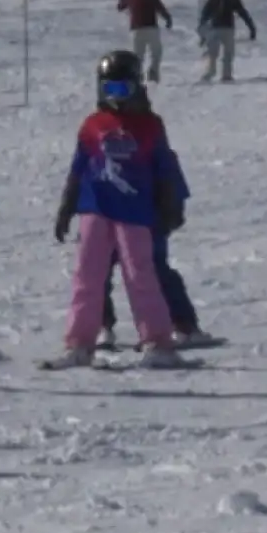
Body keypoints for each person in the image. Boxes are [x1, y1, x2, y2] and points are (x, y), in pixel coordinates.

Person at [46, 50, 188, 369]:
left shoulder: (150, 126)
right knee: (88, 275)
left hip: (134, 211)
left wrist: (170, 206)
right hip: (95, 209)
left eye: (122, 90)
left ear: (136, 87)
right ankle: (80, 343)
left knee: (140, 274)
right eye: (110, 90)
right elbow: (78, 168)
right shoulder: (93, 125)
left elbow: (164, 168)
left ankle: (157, 341)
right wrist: (66, 208)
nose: (117, 99)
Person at [99, 147, 219, 348]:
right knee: (97, 272)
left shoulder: (153, 144)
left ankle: (185, 325)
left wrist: (173, 211)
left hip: (147, 221)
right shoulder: (101, 148)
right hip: (107, 219)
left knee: (156, 270)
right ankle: (100, 326)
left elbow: (171, 177)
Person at [116, 0, 173, 82]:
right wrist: (168, 19)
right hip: (151, 28)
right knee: (156, 52)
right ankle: (153, 72)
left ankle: (137, 75)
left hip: (136, 29)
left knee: (138, 55)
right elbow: (160, 9)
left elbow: (120, 6)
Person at [198, 0, 256, 82]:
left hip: (215, 28)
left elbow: (205, 13)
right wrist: (251, 27)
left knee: (213, 53)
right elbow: (243, 14)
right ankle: (226, 74)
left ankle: (211, 72)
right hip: (228, 29)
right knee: (228, 53)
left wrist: (201, 26)